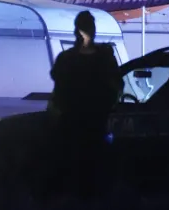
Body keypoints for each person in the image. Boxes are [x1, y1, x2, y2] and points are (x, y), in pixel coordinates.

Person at [46, 10, 122, 198]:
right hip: (84, 123)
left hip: (83, 123)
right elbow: (116, 86)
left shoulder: (70, 59)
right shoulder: (99, 58)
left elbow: (58, 89)